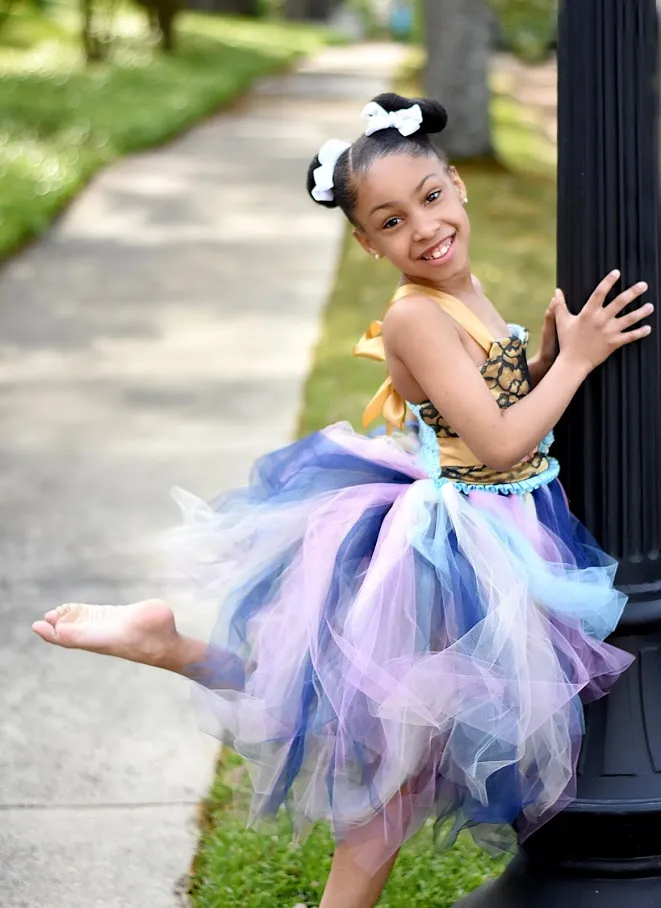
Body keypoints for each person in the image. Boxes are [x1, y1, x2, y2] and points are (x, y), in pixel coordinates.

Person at [32, 93, 652, 908]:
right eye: (391, 222)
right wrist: (575, 361)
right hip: (461, 552)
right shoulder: (415, 318)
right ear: (366, 244)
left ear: (457, 185)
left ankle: (170, 645)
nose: (422, 228)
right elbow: (500, 448)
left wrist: (536, 364)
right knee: (384, 772)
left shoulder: (462, 290)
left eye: (429, 198)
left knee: (369, 735)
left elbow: (489, 417)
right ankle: (172, 648)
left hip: (499, 535)